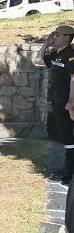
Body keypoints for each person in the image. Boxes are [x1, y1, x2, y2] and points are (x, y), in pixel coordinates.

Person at [34, 25, 74, 184]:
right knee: (61, 136)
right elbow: (37, 60)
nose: (55, 37)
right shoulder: (56, 55)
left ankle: (68, 173)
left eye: (58, 35)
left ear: (67, 38)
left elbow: (73, 79)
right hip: (56, 101)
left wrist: (71, 103)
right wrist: (46, 43)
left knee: (68, 136)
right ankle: (63, 169)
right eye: (55, 35)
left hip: (65, 102)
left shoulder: (71, 55)